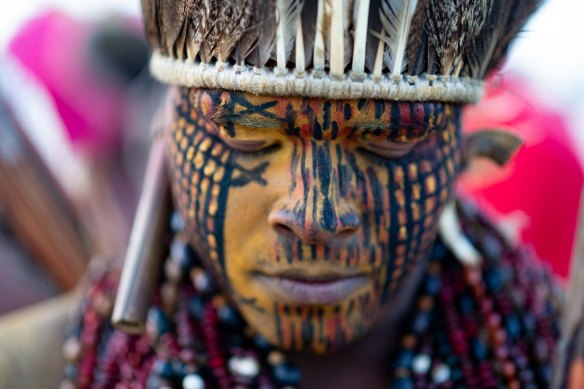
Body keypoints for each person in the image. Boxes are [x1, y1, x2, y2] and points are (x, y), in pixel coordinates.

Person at [1, 1, 564, 388]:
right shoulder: (28, 370)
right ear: (168, 132)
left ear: (460, 148)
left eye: (391, 138)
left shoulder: (559, 353)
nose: (315, 215)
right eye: (246, 134)